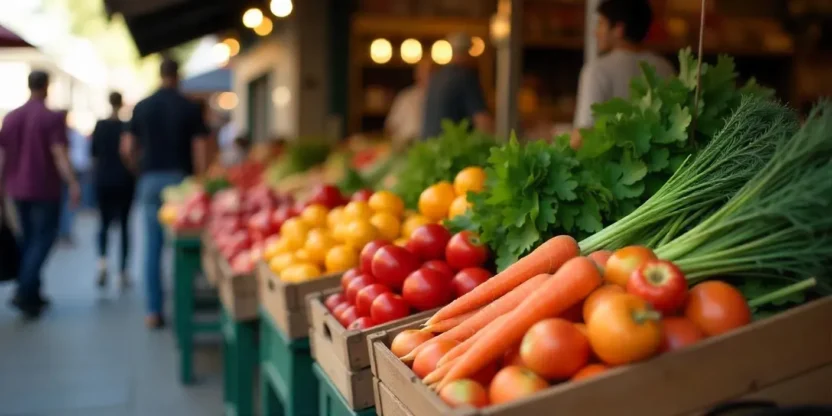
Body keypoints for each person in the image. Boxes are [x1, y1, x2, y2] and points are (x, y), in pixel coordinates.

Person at [121, 58, 210, 329]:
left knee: (152, 247)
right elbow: (201, 150)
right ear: (178, 75)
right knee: (183, 249)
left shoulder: (143, 106)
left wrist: (138, 170)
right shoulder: (189, 107)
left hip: (149, 179)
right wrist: (200, 180)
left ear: (160, 75)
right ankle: (184, 309)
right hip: (180, 182)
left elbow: (126, 148)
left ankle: (153, 310)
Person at [0, 70, 80, 318]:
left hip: (16, 188)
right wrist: (73, 182)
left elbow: (2, 157)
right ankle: (25, 289)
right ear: (46, 87)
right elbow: (59, 153)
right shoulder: (51, 118)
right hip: (44, 188)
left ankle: (32, 295)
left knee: (28, 239)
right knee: (43, 238)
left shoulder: (11, 118)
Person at [572, 0, 675, 138]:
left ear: (618, 29)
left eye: (601, 23)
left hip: (608, 159)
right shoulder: (666, 68)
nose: (595, 32)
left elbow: (582, 135)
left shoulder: (597, 71)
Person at [91, 92, 135, 289]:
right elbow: (129, 151)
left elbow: (93, 153)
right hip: (124, 180)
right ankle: (123, 271)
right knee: (125, 225)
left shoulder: (100, 126)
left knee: (103, 224)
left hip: (103, 180)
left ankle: (102, 262)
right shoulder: (126, 126)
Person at [422, 32, 493, 139]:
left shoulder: (437, 76)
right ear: (468, 51)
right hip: (452, 149)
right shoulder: (466, 77)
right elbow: (482, 120)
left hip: (430, 147)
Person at [58, 114, 91, 244]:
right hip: (72, 168)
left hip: (73, 168)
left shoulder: (71, 135)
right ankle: (65, 231)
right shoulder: (70, 134)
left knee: (69, 201)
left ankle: (65, 231)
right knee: (68, 201)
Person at [385, 60, 432, 148]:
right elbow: (391, 126)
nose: (427, 76)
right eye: (423, 72)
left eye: (430, 72)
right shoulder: (406, 96)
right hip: (405, 147)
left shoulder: (440, 97)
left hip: (430, 146)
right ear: (416, 74)